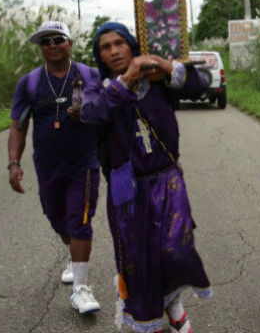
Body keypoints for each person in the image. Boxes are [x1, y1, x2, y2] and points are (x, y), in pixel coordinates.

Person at [78, 22, 212, 333]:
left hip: (167, 179)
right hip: (128, 187)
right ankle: (150, 322)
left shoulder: (157, 79)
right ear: (100, 56)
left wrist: (165, 65)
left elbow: (199, 84)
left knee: (175, 248)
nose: (113, 51)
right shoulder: (98, 88)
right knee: (139, 258)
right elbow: (92, 116)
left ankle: (173, 303)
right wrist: (125, 81)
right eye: (105, 47)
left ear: (132, 45)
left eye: (119, 44)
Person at [7, 21, 102, 314]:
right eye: (45, 41)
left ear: (70, 43)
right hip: (48, 168)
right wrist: (14, 163)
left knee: (79, 221)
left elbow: (109, 113)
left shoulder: (89, 76)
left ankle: (81, 290)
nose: (52, 45)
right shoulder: (30, 83)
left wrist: (88, 112)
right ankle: (73, 256)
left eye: (58, 39)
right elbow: (19, 126)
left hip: (84, 164)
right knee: (57, 220)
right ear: (40, 48)